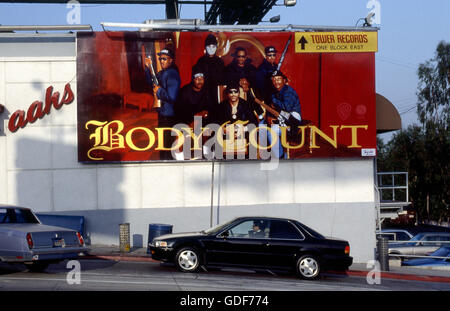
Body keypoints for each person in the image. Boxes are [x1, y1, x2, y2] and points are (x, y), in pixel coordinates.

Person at [145, 47, 181, 160]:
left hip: (169, 116)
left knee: (167, 145)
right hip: (163, 114)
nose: (162, 61)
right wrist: (148, 68)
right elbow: (151, 82)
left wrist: (159, 91)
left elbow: (172, 96)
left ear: (171, 60)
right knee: (163, 144)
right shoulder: (163, 73)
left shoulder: (172, 74)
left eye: (165, 59)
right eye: (160, 59)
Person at [269, 70, 302, 159]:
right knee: (271, 131)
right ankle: (280, 156)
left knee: (274, 131)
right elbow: (279, 111)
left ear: (284, 80)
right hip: (283, 118)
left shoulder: (288, 91)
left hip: (293, 119)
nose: (276, 82)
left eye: (279, 79)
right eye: (274, 80)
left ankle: (281, 156)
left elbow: (286, 108)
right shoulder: (276, 92)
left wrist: (274, 100)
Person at [192, 34, 226, 105]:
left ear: (216, 47)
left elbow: (223, 81)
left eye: (213, 46)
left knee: (216, 113)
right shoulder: (200, 61)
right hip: (202, 93)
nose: (211, 49)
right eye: (209, 46)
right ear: (205, 48)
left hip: (216, 94)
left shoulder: (220, 62)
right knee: (199, 114)